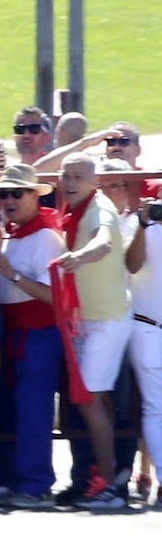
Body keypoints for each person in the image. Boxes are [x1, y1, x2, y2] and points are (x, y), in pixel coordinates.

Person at [55, 153, 132, 511]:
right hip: (89, 320)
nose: (69, 182)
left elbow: (102, 243)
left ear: (93, 181)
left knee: (89, 399)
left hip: (106, 320)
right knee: (95, 400)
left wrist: (79, 256)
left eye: (77, 177)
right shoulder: (75, 209)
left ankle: (111, 487)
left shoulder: (102, 208)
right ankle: (110, 478)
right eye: (65, 176)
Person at [0, 163, 65, 510]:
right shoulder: (19, 232)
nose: (8, 200)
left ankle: (36, 484)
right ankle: (15, 478)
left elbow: (54, 295)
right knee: (15, 408)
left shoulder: (46, 236)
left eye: (16, 193)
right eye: (4, 193)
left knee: (33, 410)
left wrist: (13, 275)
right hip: (17, 333)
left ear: (34, 195)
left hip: (38, 333)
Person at [126, 190, 162, 510]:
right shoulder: (139, 224)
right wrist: (142, 224)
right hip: (148, 326)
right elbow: (132, 265)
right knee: (154, 408)